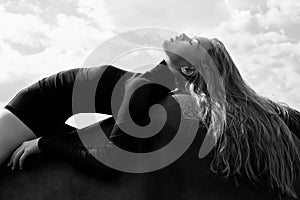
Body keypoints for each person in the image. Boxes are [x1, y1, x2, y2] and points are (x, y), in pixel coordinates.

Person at [0, 33, 300, 199]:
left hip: (37, 110)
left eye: (193, 43)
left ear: (189, 70)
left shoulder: (145, 90)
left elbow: (107, 163)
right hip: (38, 103)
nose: (184, 35)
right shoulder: (157, 84)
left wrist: (44, 144)